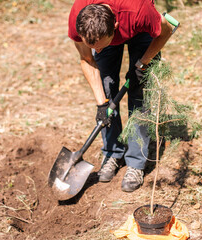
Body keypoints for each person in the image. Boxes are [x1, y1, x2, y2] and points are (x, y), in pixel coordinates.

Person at [68, 0, 173, 192]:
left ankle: (136, 163)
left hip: (137, 30)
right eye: (93, 46)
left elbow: (165, 31)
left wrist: (143, 63)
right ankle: (112, 154)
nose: (96, 50)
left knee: (140, 93)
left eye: (99, 46)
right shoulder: (79, 18)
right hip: (109, 31)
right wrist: (102, 104)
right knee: (106, 89)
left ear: (115, 27)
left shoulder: (139, 12)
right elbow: (87, 58)